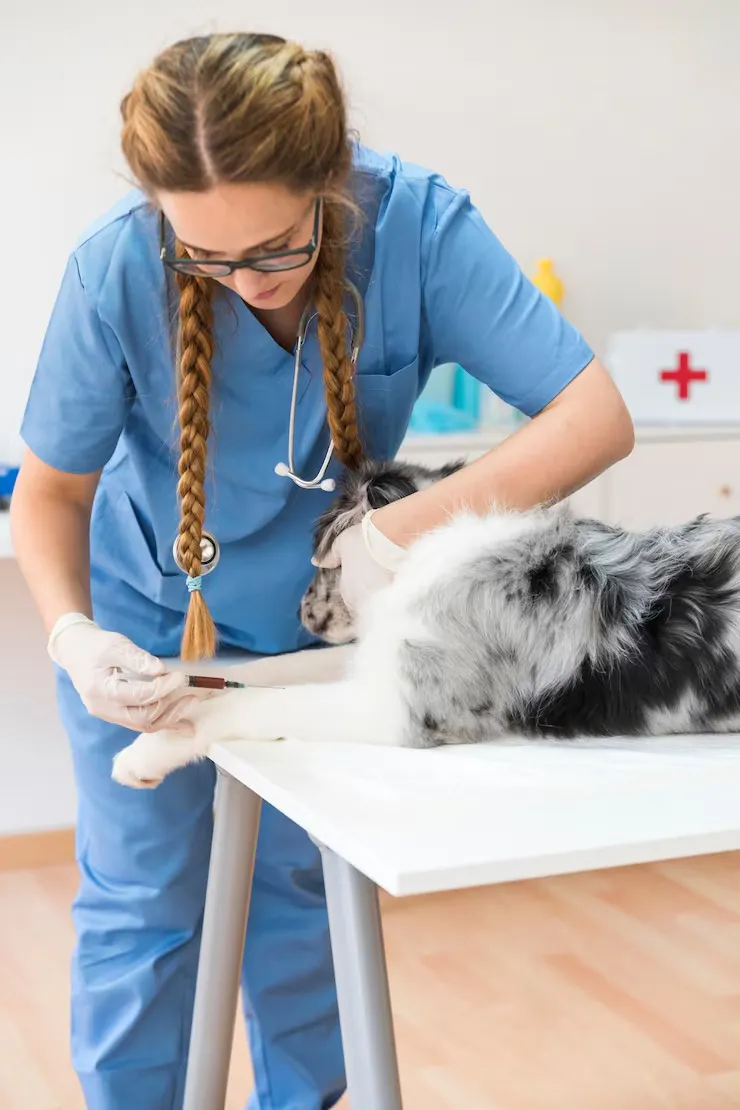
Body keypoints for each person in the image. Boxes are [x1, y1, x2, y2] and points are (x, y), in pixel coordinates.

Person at [11, 30, 634, 1110]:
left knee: (299, 894)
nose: (241, 285)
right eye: (202, 258)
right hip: (151, 621)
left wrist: (400, 534)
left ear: (331, 184)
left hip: (317, 638)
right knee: (146, 899)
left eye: (271, 251)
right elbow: (50, 492)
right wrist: (73, 638)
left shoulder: (421, 227)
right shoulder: (114, 267)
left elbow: (594, 417)